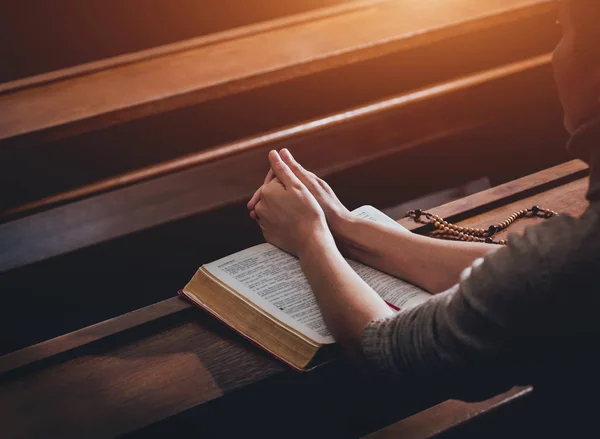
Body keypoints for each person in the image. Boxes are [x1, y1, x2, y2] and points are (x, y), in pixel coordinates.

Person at [247, 0, 600, 433]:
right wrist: (347, 227)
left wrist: (310, 238)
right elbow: (522, 276)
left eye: (563, 30)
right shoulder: (565, 264)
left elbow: (383, 348)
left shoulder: (573, 262)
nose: (555, 53)